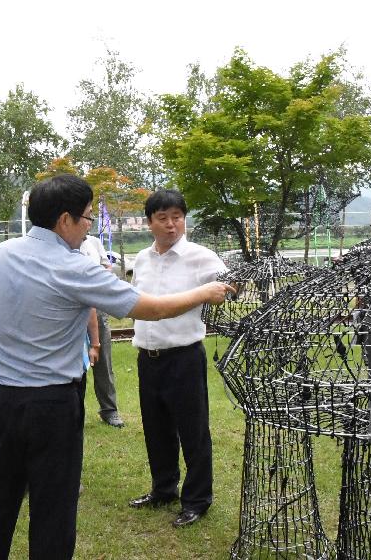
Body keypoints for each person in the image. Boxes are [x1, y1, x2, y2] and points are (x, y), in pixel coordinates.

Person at [0, 175, 233, 560]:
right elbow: (151, 310)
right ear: (65, 221)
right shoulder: (76, 268)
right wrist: (206, 293)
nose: (90, 226)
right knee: (53, 506)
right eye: (88, 218)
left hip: (3, 398)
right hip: (53, 404)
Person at [128, 189, 227, 529]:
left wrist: (229, 287)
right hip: (148, 356)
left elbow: (231, 287)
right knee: (156, 429)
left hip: (184, 357)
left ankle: (197, 500)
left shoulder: (201, 257)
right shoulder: (141, 258)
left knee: (193, 431)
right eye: (163, 218)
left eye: (177, 217)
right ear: (149, 222)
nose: (171, 225)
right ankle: (163, 488)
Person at [79, 234, 124, 427]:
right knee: (73, 361)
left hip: (97, 306)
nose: (88, 222)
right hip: (72, 309)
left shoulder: (94, 242)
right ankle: (73, 411)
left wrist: (102, 274)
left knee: (103, 360)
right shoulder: (60, 242)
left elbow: (107, 267)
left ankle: (109, 409)